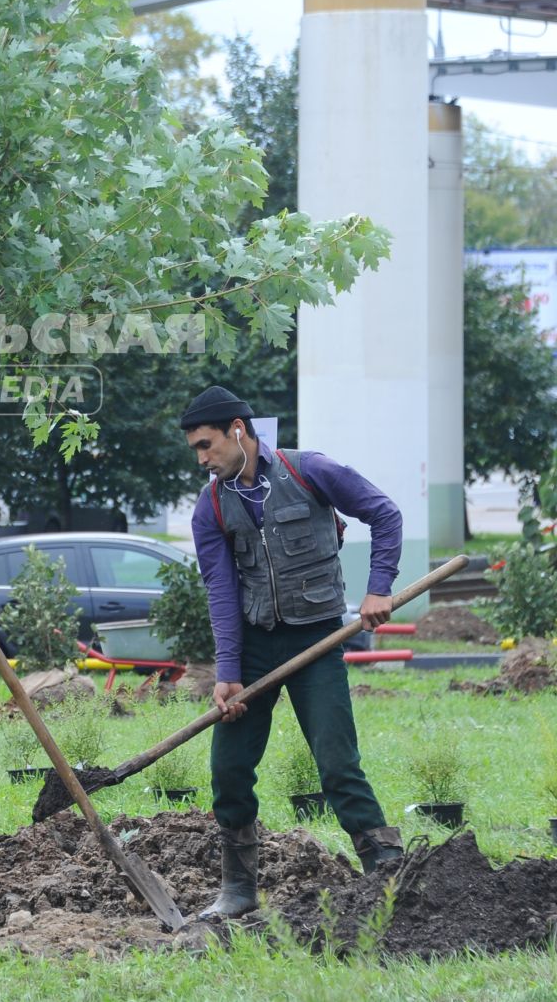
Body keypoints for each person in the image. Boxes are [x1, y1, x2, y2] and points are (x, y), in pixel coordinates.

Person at [179, 385, 406, 919]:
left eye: (207, 445)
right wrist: (229, 673)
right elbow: (221, 591)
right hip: (256, 644)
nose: (202, 459)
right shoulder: (211, 506)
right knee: (229, 768)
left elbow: (386, 514)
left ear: (239, 430)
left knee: (337, 763)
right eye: (195, 449)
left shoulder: (311, 471)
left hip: (316, 639)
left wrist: (379, 588)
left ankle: (389, 875)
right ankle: (238, 889)